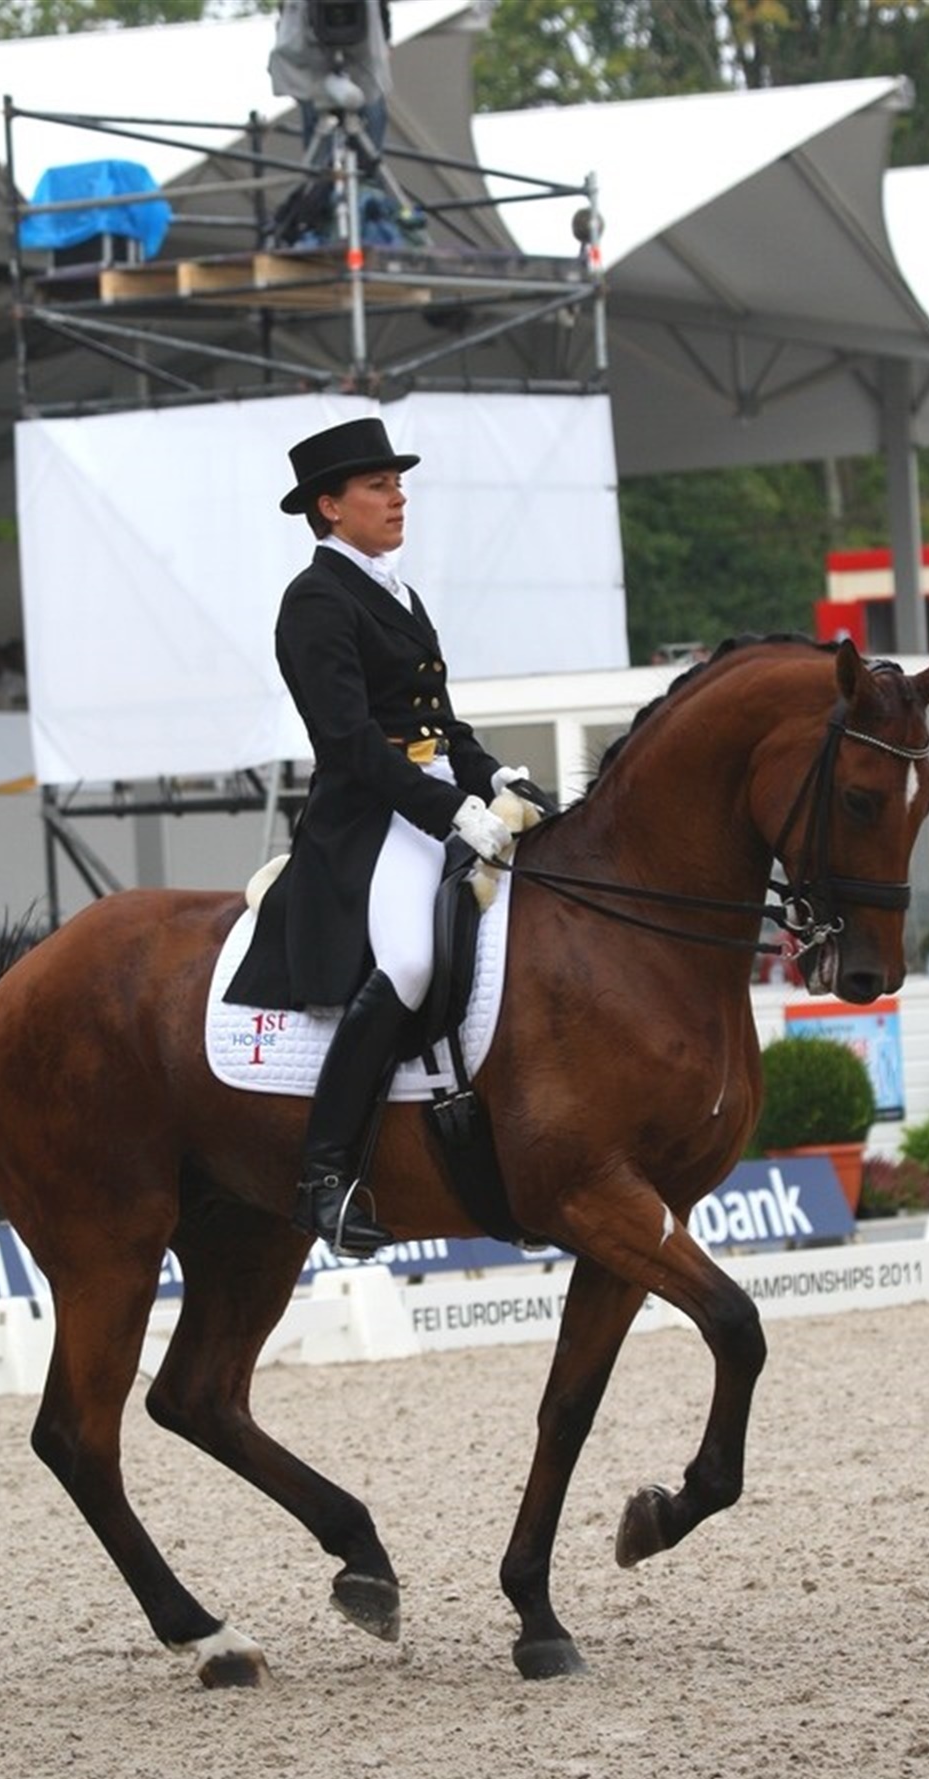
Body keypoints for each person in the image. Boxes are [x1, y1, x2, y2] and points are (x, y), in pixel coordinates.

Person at [224, 417, 530, 1258]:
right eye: (378, 486)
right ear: (330, 506)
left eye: (400, 485)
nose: (398, 499)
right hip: (368, 816)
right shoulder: (316, 599)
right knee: (411, 961)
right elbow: (350, 740)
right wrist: (448, 810)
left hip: (432, 796)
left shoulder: (400, 593)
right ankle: (324, 1177)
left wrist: (495, 780)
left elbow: (441, 725)